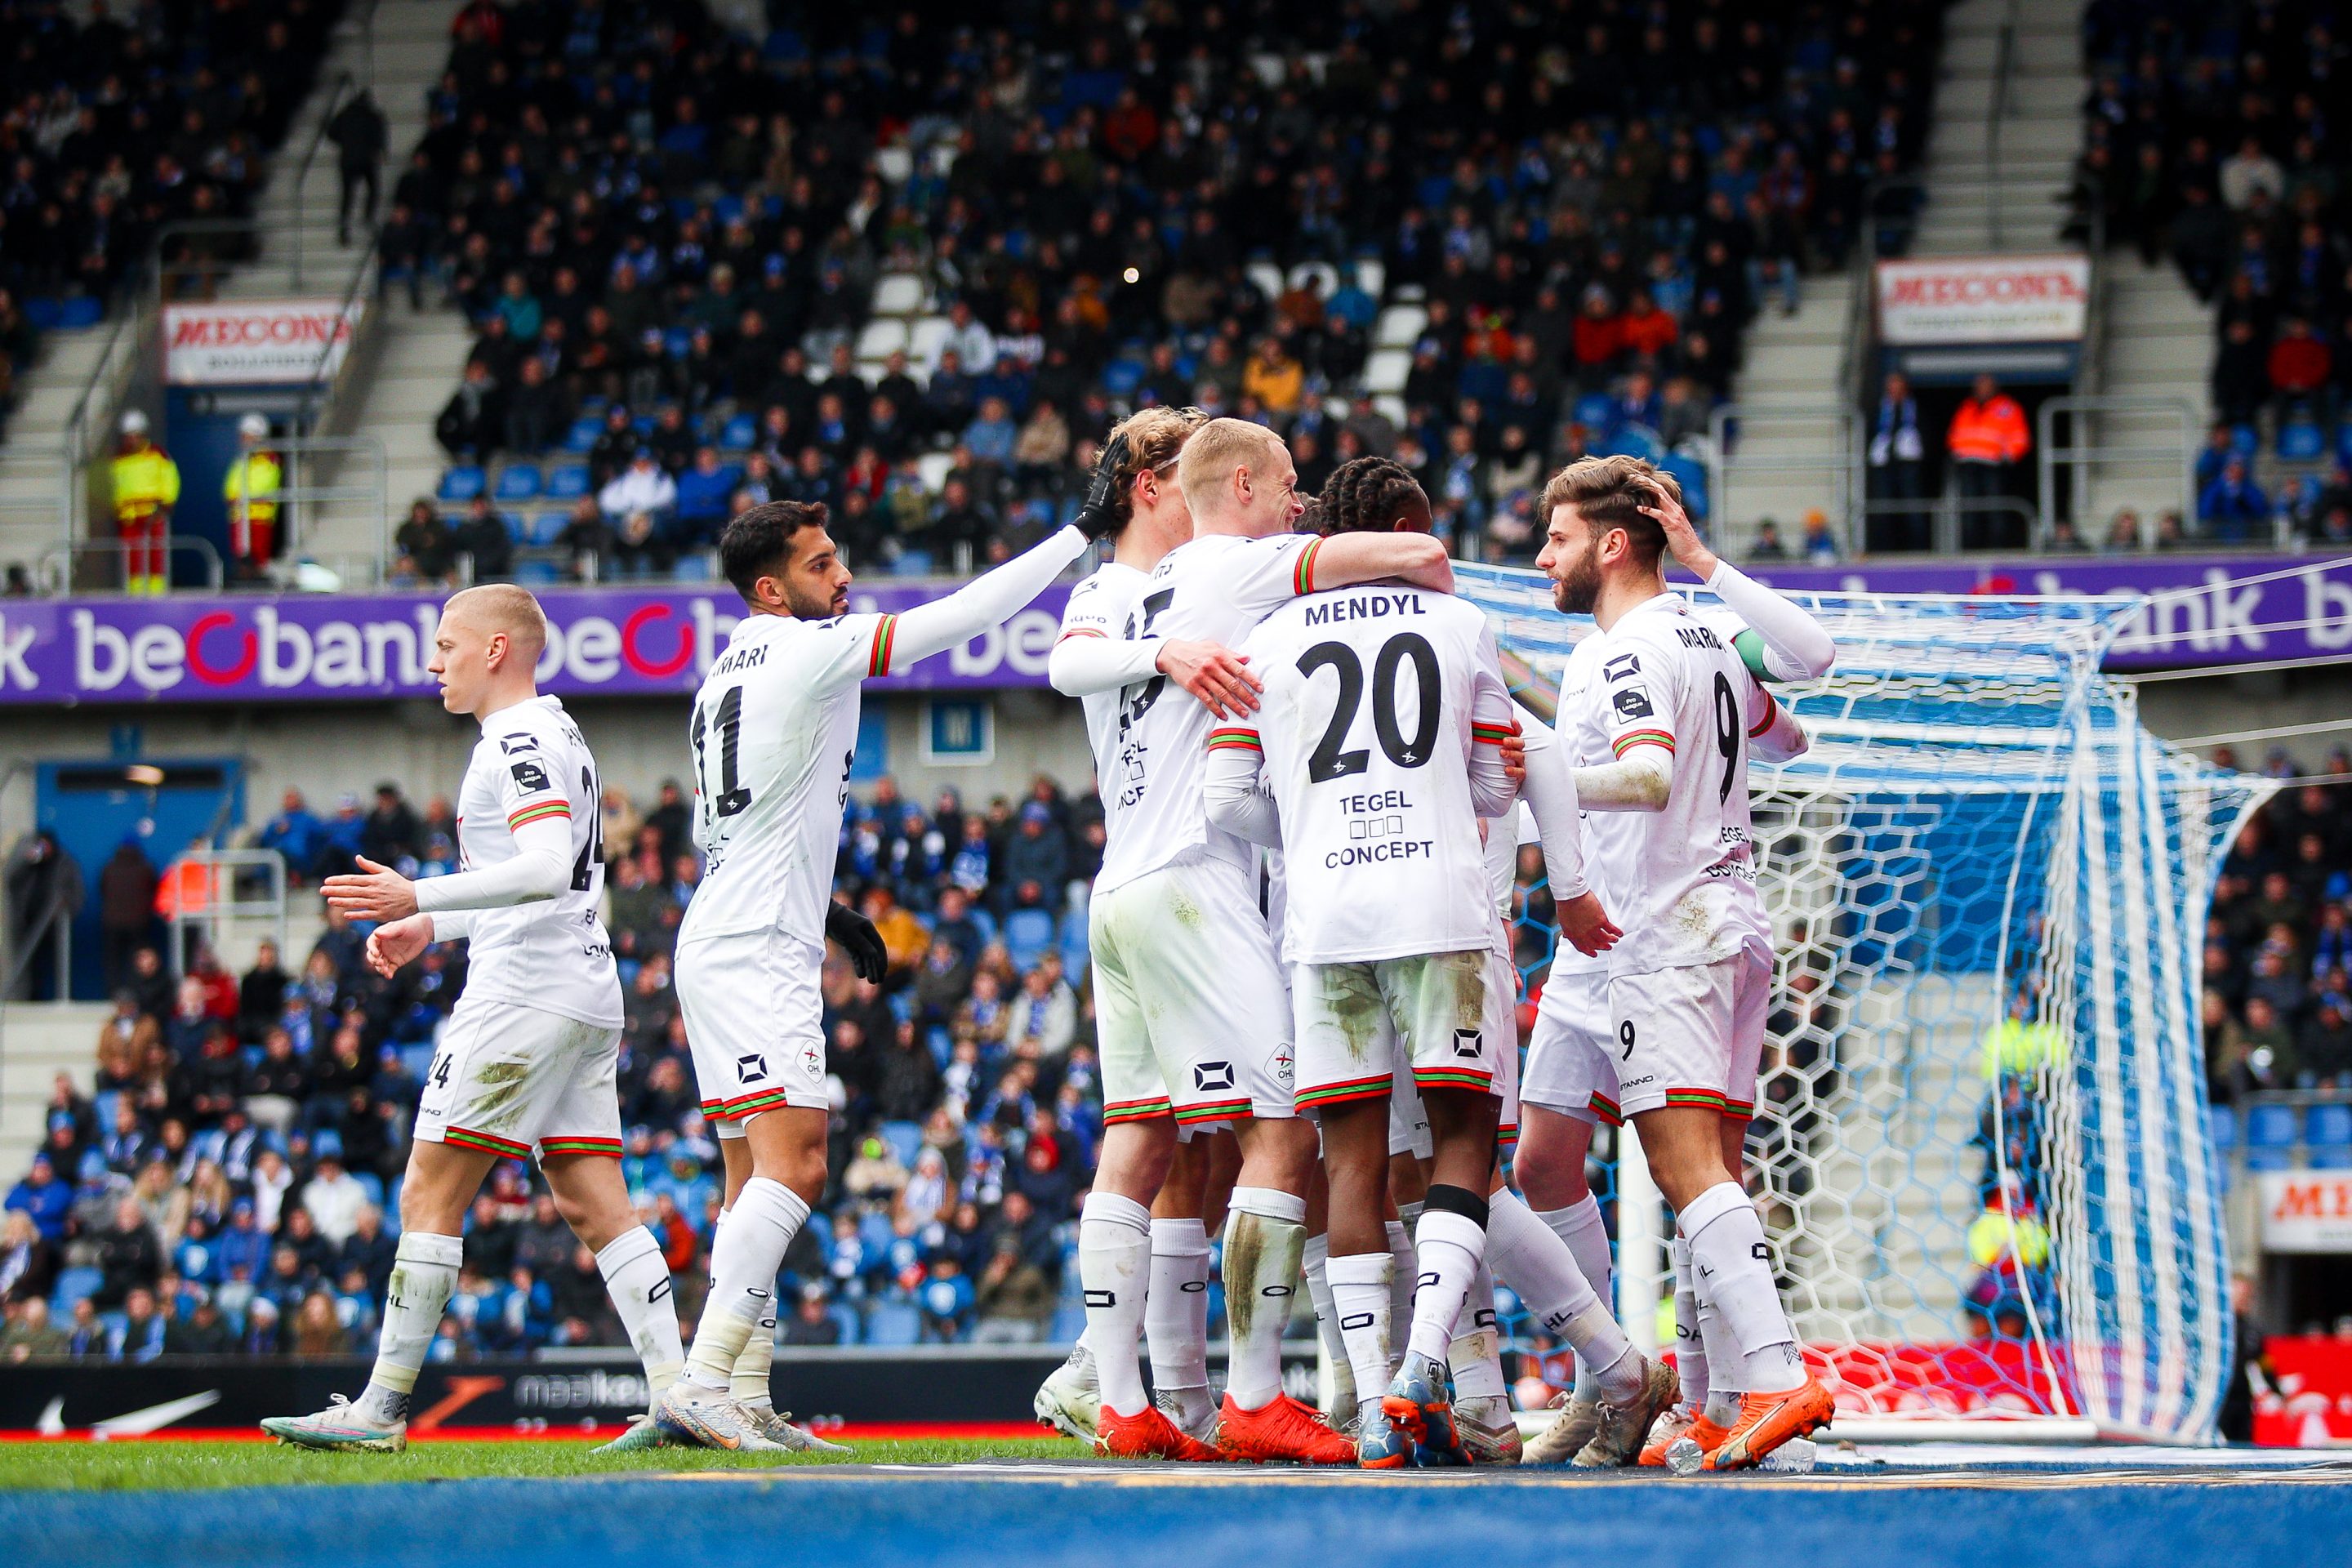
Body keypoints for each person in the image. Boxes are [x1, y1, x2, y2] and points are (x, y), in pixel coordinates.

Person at [653, 497, 1103, 1451]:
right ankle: (700, 1381)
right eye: (820, 565)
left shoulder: (722, 675)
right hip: (757, 944)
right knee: (799, 1164)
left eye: (838, 556)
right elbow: (967, 616)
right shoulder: (806, 649)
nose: (844, 575)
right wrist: (1079, 534)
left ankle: (743, 1392)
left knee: (749, 1178)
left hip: (726, 928)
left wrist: (827, 910)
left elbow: (716, 829)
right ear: (771, 589)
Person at [1058, 418, 1457, 1465]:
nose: (1298, 503)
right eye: (1286, 484)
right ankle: (1253, 1396)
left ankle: (1123, 1401)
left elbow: (1067, 666)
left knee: (1138, 1139)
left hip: (1119, 889)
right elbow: (1411, 552)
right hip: (1195, 883)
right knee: (1284, 1132)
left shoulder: (1125, 594)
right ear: (1241, 485)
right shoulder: (1236, 564)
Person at [261, 586, 687, 1454]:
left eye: (447, 645)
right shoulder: (556, 732)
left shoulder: (518, 739)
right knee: (594, 1201)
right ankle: (679, 1396)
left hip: (523, 994)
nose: (434, 662)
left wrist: (418, 894)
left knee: (428, 1190)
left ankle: (380, 1410)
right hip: (580, 987)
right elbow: (547, 878)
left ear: (496, 650)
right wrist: (434, 927)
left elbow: (543, 866)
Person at [1196, 458, 1549, 1467]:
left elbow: (1226, 801)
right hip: (1440, 910)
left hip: (1326, 923)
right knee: (1461, 1143)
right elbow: (1496, 789)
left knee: (1349, 1163)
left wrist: (1316, 828)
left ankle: (1369, 1415)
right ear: (1403, 530)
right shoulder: (1462, 625)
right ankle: (1422, 1369)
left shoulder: (1266, 635)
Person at [1516, 470, 1830, 1468]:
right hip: (1661, 928)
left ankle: (1764, 1383)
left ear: (1611, 545)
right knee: (1549, 1159)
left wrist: (1528, 784)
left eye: (1558, 538)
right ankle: (1695, 1400)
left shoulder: (1628, 649)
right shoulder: (1708, 639)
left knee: (1689, 1169)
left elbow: (1647, 774)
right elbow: (1792, 731)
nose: (1542, 557)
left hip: (1663, 930)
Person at [1029, 406, 1259, 1451]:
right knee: (1274, 1126)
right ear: (1147, 485)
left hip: (1151, 881)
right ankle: (1173, 1385)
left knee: (1174, 1147)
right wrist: (1165, 650)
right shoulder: (1118, 590)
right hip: (1172, 882)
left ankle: (1126, 1386)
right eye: (1184, 465)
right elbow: (1066, 663)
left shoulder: (1184, 586)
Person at [1945, 373, 2029, 550]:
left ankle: (1998, 547)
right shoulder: (1967, 407)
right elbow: (1954, 434)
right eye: (1979, 386)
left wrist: (2007, 457)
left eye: (1986, 386)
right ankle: (1970, 548)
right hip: (1967, 465)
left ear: (1994, 388)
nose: (1982, 389)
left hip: (1993, 466)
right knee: (1969, 510)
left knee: (1995, 509)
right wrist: (1956, 454)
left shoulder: (2007, 408)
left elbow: (2021, 438)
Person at [110, 409, 179, 595]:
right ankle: (134, 595)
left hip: (153, 514)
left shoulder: (157, 455)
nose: (131, 440)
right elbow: (114, 488)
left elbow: (170, 480)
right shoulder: (119, 460)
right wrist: (118, 508)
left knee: (156, 558)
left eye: (134, 435)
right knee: (132, 561)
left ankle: (157, 595)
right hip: (129, 516)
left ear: (142, 434)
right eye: (127, 436)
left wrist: (166, 505)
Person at [1864, 372, 1927, 552]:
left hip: (1908, 465)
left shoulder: (1916, 409)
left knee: (1913, 507)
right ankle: (1883, 548)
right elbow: (1870, 433)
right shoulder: (1879, 409)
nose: (1895, 391)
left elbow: (1926, 433)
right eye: (1892, 386)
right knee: (1883, 508)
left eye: (1899, 386)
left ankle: (1918, 548)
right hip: (1884, 465)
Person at [222, 412, 283, 579]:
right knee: (241, 559)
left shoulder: (269, 458)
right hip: (239, 516)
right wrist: (234, 497)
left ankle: (258, 585)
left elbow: (263, 485)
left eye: (246, 436)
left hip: (259, 517)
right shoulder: (243, 459)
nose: (242, 440)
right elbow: (231, 485)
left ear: (257, 436)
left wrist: (240, 497)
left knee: (258, 559)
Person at [325, 89, 389, 246]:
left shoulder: (345, 114)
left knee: (348, 195)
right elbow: (380, 137)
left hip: (348, 159)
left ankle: (344, 228)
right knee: (373, 189)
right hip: (367, 160)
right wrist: (380, 151)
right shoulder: (373, 116)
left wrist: (346, 142)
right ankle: (368, 218)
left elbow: (331, 133)